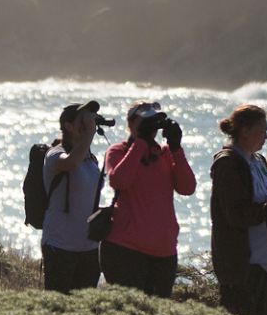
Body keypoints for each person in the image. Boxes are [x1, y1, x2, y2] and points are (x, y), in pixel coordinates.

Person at [100, 100, 196, 298]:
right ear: (131, 124)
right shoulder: (119, 151)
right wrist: (140, 142)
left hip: (164, 252)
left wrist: (176, 147)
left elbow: (187, 188)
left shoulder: (166, 153)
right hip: (125, 249)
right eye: (145, 122)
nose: (151, 127)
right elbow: (119, 180)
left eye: (154, 121)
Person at [209, 103, 267, 315]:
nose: (266, 137)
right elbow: (236, 214)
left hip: (264, 261)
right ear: (245, 131)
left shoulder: (258, 160)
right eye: (262, 131)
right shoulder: (229, 163)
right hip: (241, 262)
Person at [41, 101, 104, 292]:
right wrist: (90, 133)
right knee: (58, 310)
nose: (87, 123)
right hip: (60, 245)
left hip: (89, 247)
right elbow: (70, 163)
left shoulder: (90, 158)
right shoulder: (55, 154)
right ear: (68, 126)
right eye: (82, 119)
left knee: (83, 312)